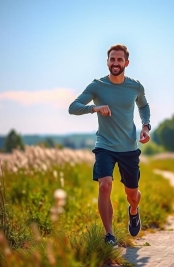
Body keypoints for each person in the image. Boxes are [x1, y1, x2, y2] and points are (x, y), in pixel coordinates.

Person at [68, 44, 151, 247]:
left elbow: (144, 105)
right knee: (104, 185)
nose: (115, 63)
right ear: (107, 62)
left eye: (119, 60)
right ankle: (109, 235)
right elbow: (73, 107)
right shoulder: (97, 86)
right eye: (112, 59)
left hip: (129, 147)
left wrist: (146, 127)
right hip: (104, 144)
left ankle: (133, 211)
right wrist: (95, 108)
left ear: (126, 63)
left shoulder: (135, 87)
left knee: (132, 194)